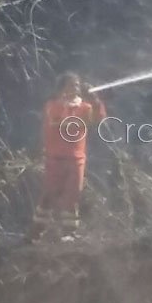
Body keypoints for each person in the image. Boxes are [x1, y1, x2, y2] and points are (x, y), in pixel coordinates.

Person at [28, 71, 105, 241]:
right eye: (71, 84)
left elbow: (98, 118)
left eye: (77, 85)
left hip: (76, 158)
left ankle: (69, 232)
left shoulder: (85, 107)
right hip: (55, 157)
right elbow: (59, 123)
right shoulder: (53, 105)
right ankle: (37, 231)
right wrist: (69, 108)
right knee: (49, 193)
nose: (76, 88)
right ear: (62, 88)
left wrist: (95, 100)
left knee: (73, 193)